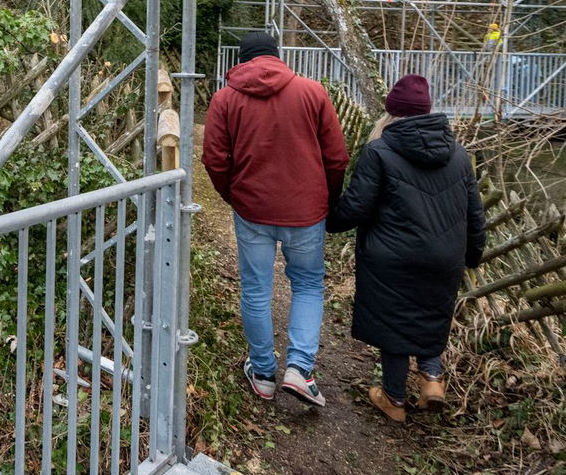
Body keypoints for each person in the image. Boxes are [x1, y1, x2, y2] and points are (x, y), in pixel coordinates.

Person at [327, 74, 486, 423]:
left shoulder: (380, 150)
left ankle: (394, 398)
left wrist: (327, 220)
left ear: (392, 113)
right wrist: (471, 255)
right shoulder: (459, 155)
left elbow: (357, 207)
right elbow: (475, 213)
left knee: (394, 325)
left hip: (391, 257)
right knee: (431, 315)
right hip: (445, 256)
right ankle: (432, 380)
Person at [202, 32, 348, 406]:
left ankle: (264, 373)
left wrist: (232, 196)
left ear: (242, 60)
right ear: (277, 57)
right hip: (306, 211)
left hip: (253, 209)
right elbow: (336, 157)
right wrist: (327, 198)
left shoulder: (225, 99)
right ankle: (300, 369)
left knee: (255, 288)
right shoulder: (312, 92)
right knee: (309, 285)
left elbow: (215, 160)